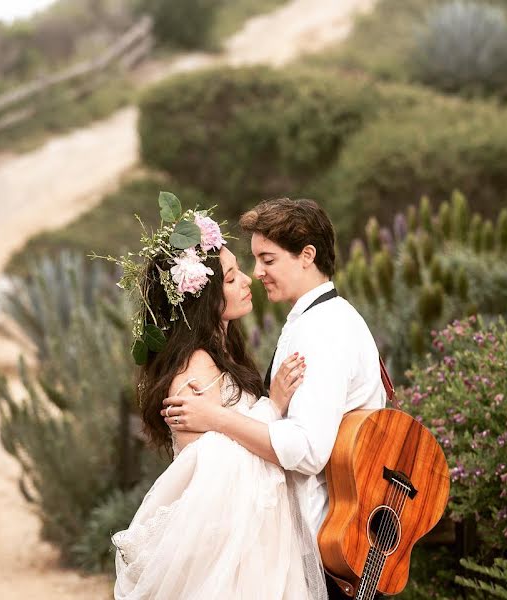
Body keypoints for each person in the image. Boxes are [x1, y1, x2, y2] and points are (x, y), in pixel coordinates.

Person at [163, 198, 387, 599]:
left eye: (267, 259)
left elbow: (306, 450)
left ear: (307, 255)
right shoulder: (314, 321)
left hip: (327, 549)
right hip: (296, 547)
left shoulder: (323, 331)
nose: (256, 272)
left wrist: (215, 417)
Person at [108, 199, 328, 599]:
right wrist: (273, 406)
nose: (247, 280)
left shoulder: (221, 356)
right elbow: (210, 477)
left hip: (249, 542)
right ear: (203, 299)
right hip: (226, 555)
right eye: (230, 278)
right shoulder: (196, 371)